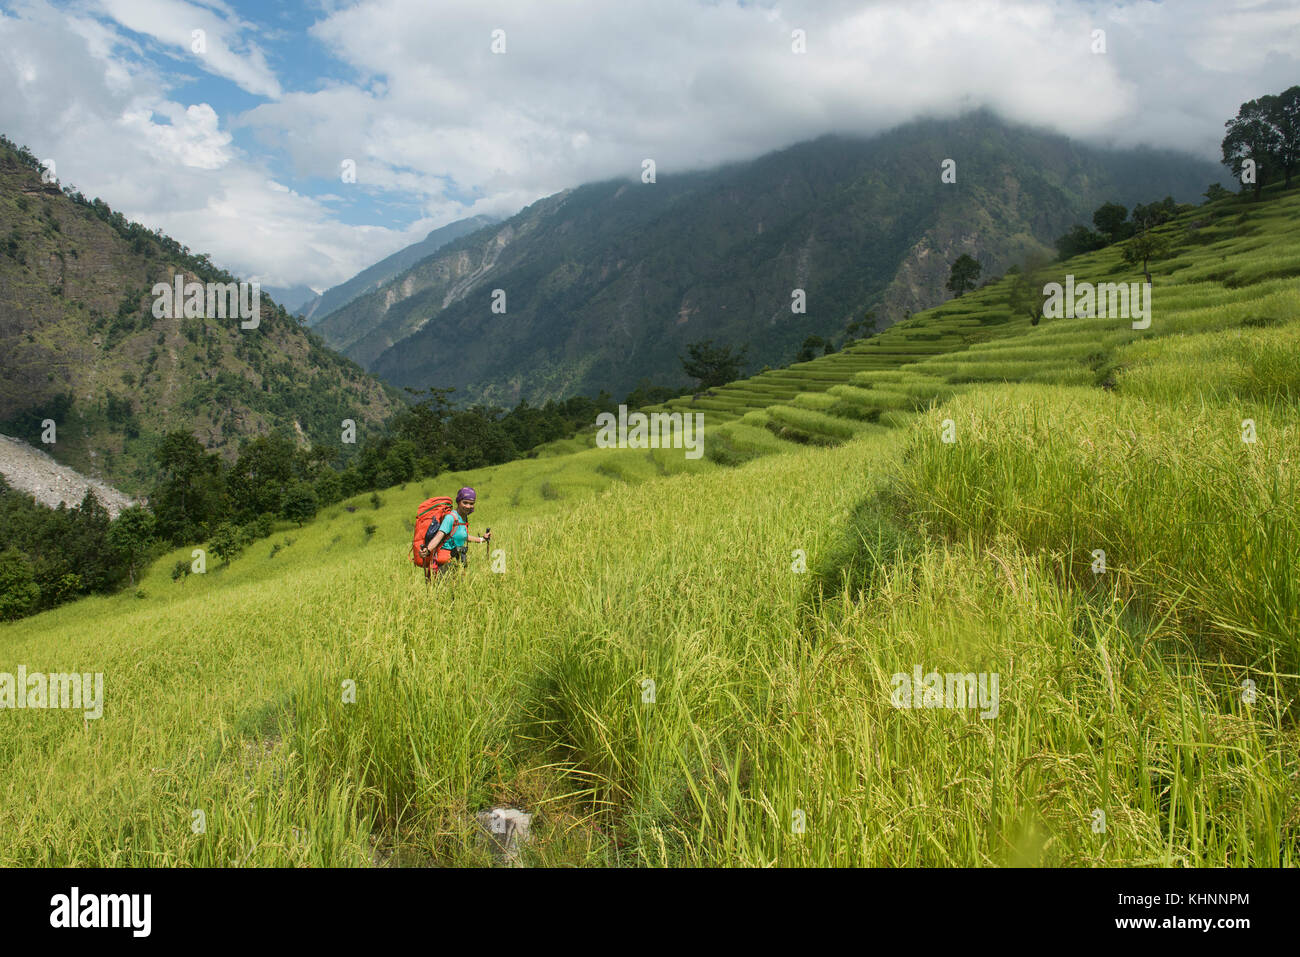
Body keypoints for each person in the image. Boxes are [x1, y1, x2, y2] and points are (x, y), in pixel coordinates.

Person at [419, 487, 489, 576]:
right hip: (445, 563)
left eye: (471, 503)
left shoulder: (463, 518)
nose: (468, 506)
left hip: (457, 560)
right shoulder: (450, 518)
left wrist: (482, 539)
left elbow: (464, 536)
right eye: (465, 502)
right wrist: (427, 550)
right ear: (458, 501)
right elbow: (438, 536)